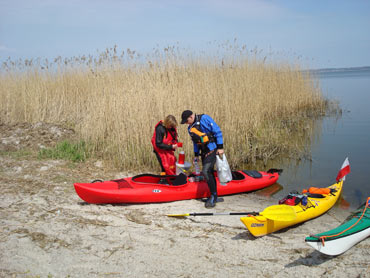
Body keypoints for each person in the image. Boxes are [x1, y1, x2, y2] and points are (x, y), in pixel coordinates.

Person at [180, 110, 224, 208]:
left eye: (186, 121)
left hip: (213, 149)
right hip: (203, 153)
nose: (186, 123)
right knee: (210, 172)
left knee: (206, 171)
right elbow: (195, 142)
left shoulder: (205, 118)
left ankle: (213, 196)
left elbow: (217, 131)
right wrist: (196, 155)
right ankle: (215, 195)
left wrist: (220, 147)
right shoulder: (190, 128)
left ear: (191, 117)